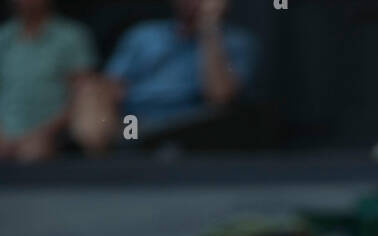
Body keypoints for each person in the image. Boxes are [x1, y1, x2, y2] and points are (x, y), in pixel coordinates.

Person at [73, 0, 257, 152]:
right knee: (89, 91)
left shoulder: (237, 42)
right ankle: (99, 171)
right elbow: (112, 85)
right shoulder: (143, 35)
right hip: (134, 121)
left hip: (188, 124)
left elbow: (221, 96)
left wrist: (209, 28)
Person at [0, 0, 96, 161]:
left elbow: (83, 96)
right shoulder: (3, 37)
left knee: (32, 155)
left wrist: (45, 134)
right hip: (6, 129)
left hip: (55, 130)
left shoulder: (71, 36)